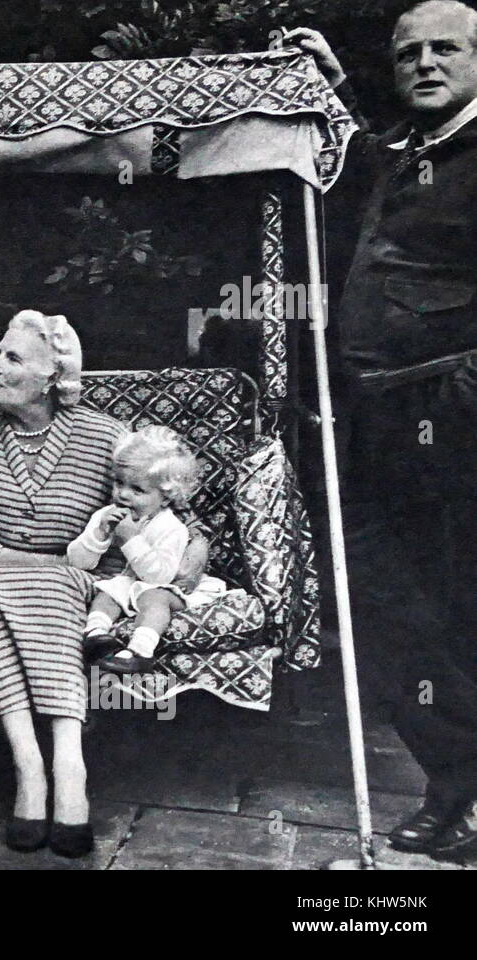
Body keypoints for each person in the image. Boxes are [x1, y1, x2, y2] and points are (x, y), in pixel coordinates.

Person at [289, 2, 477, 864]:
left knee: (454, 607)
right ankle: (453, 780)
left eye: (447, 49)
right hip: (374, 421)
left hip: (453, 420)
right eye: (410, 53)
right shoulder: (410, 152)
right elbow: (371, 167)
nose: (426, 63)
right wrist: (333, 80)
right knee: (389, 609)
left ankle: (458, 799)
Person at [0, 309, 205, 856]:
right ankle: (30, 767)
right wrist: (35, 565)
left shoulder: (105, 435)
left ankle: (68, 764)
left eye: (11, 358)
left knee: (51, 587)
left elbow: (164, 500)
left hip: (79, 580)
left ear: (52, 377)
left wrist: (196, 543)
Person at [68, 425, 224, 675]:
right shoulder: (106, 515)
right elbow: (78, 562)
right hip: (131, 584)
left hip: (166, 587)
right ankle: (96, 636)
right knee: (108, 591)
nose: (123, 495)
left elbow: (160, 577)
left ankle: (140, 651)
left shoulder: (171, 527)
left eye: (138, 490)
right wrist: (99, 533)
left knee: (154, 598)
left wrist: (130, 539)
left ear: (165, 498)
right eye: (119, 483)